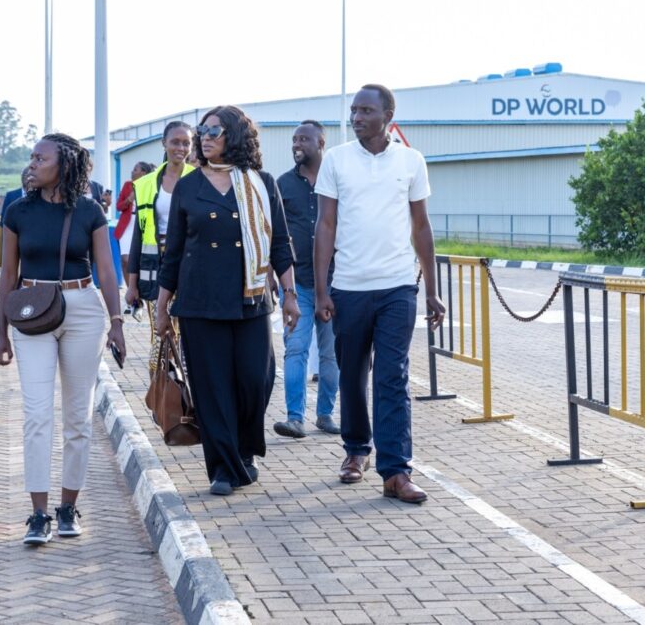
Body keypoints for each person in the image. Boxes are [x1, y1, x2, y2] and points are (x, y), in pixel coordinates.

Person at [156, 105, 299, 496]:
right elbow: (174, 252)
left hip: (250, 300)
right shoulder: (188, 186)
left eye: (214, 131)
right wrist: (162, 306)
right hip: (200, 302)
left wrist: (289, 294)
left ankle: (244, 451)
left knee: (255, 380)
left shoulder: (261, 183)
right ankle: (223, 467)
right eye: (202, 131)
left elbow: (279, 243)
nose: (204, 137)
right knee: (212, 386)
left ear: (233, 136)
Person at [314, 84, 445, 504]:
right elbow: (325, 225)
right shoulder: (336, 160)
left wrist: (432, 289)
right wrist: (322, 290)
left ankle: (396, 472)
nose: (357, 117)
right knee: (352, 374)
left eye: (366, 110)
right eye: (354, 110)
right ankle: (356, 449)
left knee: (392, 376)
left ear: (387, 115)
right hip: (349, 287)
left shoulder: (411, 161)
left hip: (397, 287)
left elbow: (420, 226)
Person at [0, 132, 127, 545]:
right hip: (32, 312)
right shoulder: (18, 211)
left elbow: (106, 270)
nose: (32, 164)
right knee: (37, 415)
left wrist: (117, 321)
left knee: (78, 416)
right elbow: (7, 273)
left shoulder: (89, 211)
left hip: (83, 309)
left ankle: (68, 507)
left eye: (41, 158)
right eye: (32, 157)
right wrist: (0, 332)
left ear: (64, 165)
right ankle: (38, 514)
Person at [274, 120, 340, 438]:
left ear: (321, 143)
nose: (297, 144)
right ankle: (295, 418)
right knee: (296, 348)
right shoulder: (282, 185)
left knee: (331, 354)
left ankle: (325, 414)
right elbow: (273, 233)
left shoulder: (337, 180)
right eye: (294, 139)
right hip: (296, 283)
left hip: (335, 283)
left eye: (304, 139)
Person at [125, 122, 195, 369]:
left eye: (186, 143)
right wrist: (132, 285)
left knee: (188, 335)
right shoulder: (145, 184)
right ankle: (160, 387)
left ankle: (186, 387)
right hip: (156, 266)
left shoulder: (199, 179)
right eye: (175, 142)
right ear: (164, 143)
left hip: (189, 265)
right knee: (161, 332)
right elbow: (138, 237)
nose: (181, 148)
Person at [115, 161, 154, 275]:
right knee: (125, 260)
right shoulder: (127, 185)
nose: (132, 172)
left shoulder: (151, 186)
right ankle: (129, 287)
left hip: (143, 224)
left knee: (140, 260)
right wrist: (129, 199)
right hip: (127, 225)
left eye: (135, 169)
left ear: (143, 173)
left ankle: (138, 284)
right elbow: (118, 207)